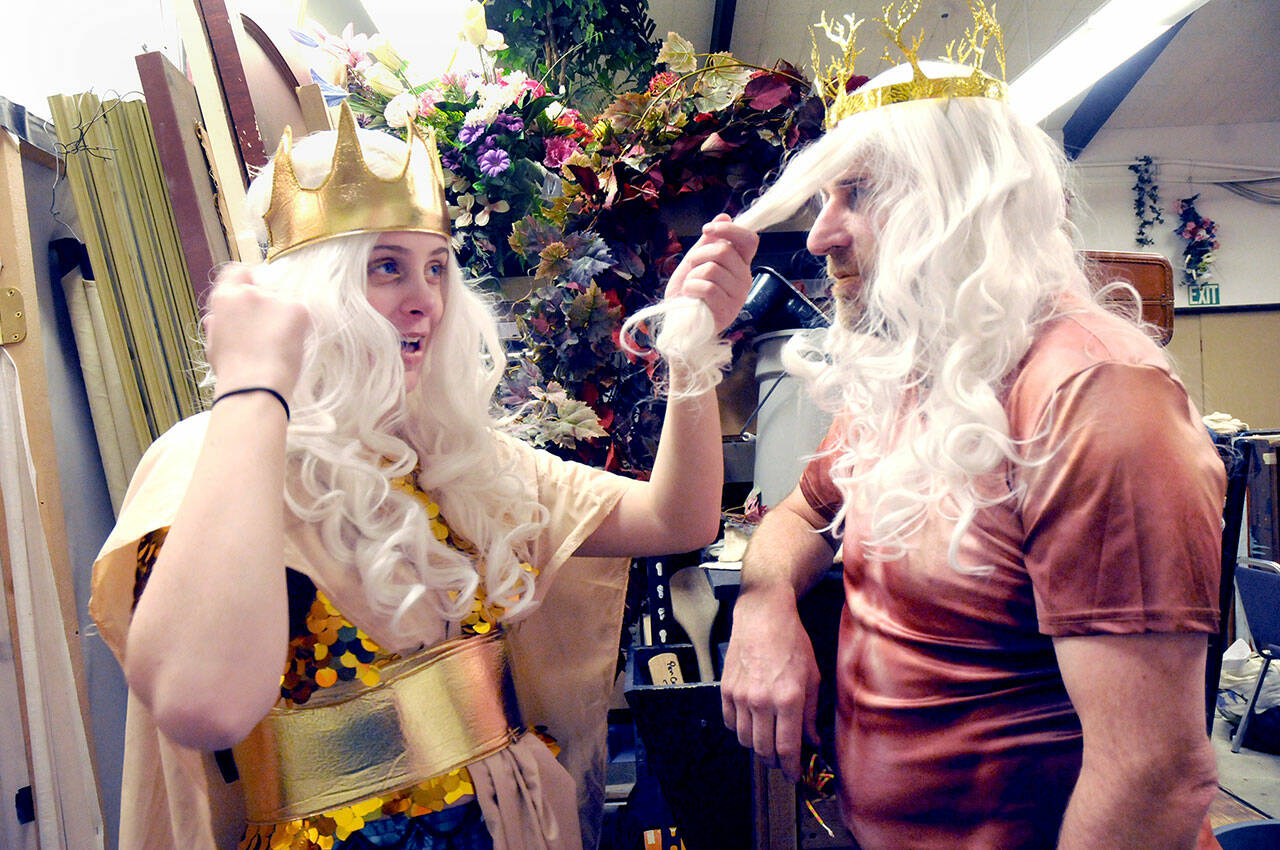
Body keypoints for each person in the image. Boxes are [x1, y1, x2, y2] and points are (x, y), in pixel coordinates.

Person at [89, 103, 754, 850]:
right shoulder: (217, 458)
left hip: (515, 825)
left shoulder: (452, 458)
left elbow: (677, 521)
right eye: (386, 268)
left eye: (436, 268)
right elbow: (200, 705)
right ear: (315, 293)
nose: (425, 299)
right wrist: (254, 389)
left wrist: (693, 351)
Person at [716, 8, 1227, 850]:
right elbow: (802, 516)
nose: (819, 233)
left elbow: (1156, 776)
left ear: (958, 199)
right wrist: (766, 605)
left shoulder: (1092, 396)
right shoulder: (925, 374)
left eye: (859, 192)